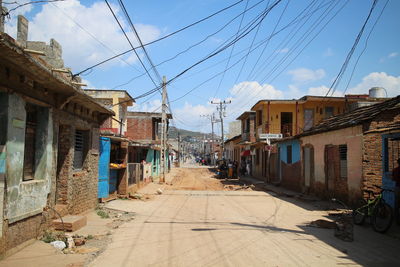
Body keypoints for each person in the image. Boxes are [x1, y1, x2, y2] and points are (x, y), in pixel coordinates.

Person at [392, 158, 400, 224]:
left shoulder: (395, 170)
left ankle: (396, 220)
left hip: (397, 187)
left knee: (396, 204)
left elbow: (393, 179)